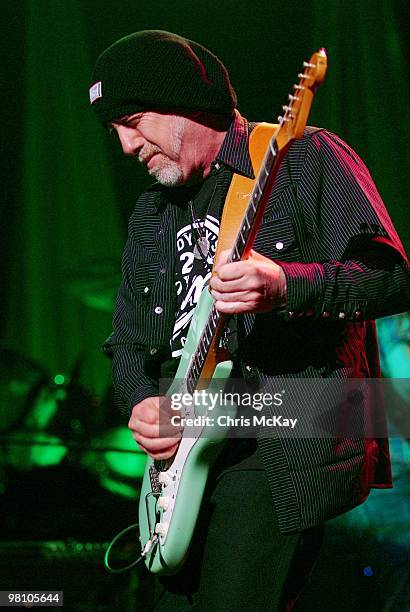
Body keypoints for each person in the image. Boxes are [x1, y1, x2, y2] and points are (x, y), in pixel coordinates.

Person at [89, 30, 410, 610]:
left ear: (187, 102)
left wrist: (287, 285)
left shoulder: (302, 157)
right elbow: (127, 340)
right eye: (114, 130)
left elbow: (391, 276)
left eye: (134, 120)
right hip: (187, 446)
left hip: (280, 427)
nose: (126, 145)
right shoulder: (151, 212)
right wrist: (141, 402)